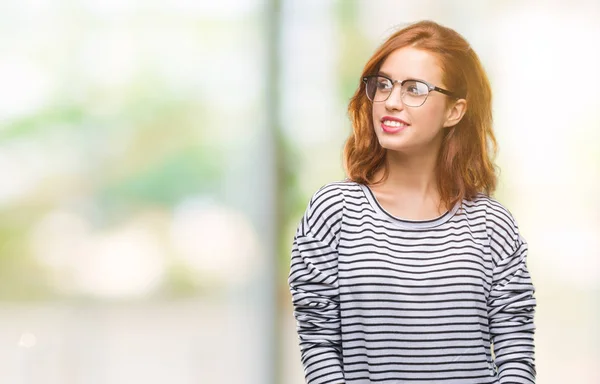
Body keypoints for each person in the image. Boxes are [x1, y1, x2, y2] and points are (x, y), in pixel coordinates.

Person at [288, 20, 536, 384]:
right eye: (384, 84)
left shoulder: (491, 225)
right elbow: (318, 344)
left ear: (455, 110)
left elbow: (516, 356)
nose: (391, 101)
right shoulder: (334, 212)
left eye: (414, 89)